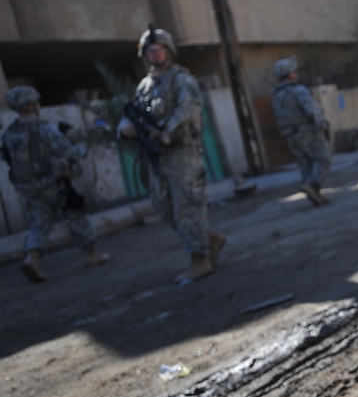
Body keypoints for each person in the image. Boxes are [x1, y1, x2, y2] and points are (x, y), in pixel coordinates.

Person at [117, 24, 225, 284]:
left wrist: (167, 129)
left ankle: (200, 260)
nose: (154, 54)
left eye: (159, 49)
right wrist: (126, 130)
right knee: (165, 207)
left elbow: (189, 108)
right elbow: (132, 115)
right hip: (157, 157)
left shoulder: (181, 80)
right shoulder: (145, 86)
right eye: (150, 50)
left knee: (187, 205)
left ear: (169, 51)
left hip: (181, 153)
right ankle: (209, 240)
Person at [1, 86, 110, 282]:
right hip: (55, 184)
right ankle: (91, 254)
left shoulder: (9, 133)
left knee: (39, 225)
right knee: (76, 215)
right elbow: (72, 152)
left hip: (27, 188)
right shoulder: (44, 129)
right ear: (33, 105)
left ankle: (32, 257)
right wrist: (87, 144)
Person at [271, 57, 332, 206]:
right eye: (294, 71)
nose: (296, 73)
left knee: (305, 162)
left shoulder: (276, 94)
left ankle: (314, 194)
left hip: (289, 133)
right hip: (306, 130)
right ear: (291, 74)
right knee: (323, 158)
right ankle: (312, 185)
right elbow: (312, 109)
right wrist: (322, 124)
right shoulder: (298, 90)